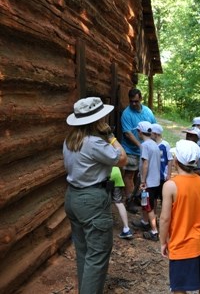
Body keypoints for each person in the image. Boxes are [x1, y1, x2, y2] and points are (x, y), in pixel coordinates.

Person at [63, 97, 127, 294]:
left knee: (84, 253)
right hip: (92, 200)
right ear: (96, 121)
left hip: (73, 197)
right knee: (98, 255)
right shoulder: (94, 143)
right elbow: (122, 158)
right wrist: (110, 136)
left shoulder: (70, 141)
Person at [160, 140, 200, 294]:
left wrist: (163, 242)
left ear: (176, 161)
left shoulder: (170, 185)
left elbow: (164, 218)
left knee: (178, 287)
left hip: (181, 244)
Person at [120, 88, 157, 211]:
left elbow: (153, 128)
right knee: (129, 174)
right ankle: (130, 200)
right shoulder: (126, 114)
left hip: (144, 148)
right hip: (130, 149)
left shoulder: (147, 112)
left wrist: (153, 144)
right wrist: (140, 146)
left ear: (140, 98)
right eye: (131, 101)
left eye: (136, 101)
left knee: (140, 174)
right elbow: (128, 133)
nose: (133, 104)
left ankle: (137, 197)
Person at [135, 121, 160, 241]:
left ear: (140, 132)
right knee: (147, 203)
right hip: (156, 180)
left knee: (148, 206)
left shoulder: (144, 145)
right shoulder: (154, 144)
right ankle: (145, 222)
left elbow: (145, 163)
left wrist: (143, 181)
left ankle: (154, 231)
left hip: (149, 181)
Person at [149, 123, 173, 218]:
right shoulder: (151, 144)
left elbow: (170, 160)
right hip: (154, 176)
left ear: (156, 134)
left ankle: (165, 216)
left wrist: (169, 174)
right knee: (153, 197)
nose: (149, 135)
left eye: (151, 133)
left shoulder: (165, 145)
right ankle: (154, 216)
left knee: (164, 197)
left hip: (163, 176)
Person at [110, 166, 133, 239]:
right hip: (117, 174)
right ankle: (126, 228)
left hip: (106, 175)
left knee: (104, 200)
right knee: (119, 202)